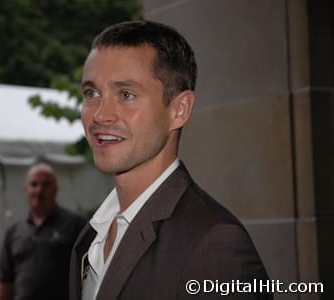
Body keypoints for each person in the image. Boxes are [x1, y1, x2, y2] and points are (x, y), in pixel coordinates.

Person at [69, 20, 272, 300]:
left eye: (126, 94)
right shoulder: (92, 235)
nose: (100, 115)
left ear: (179, 109)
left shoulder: (216, 244)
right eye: (91, 93)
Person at [0, 163, 87, 300]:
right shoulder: (14, 231)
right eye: (34, 184)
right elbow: (4, 281)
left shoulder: (76, 225)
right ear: (25, 189)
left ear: (55, 189)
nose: (39, 190)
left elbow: (90, 274)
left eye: (45, 185)